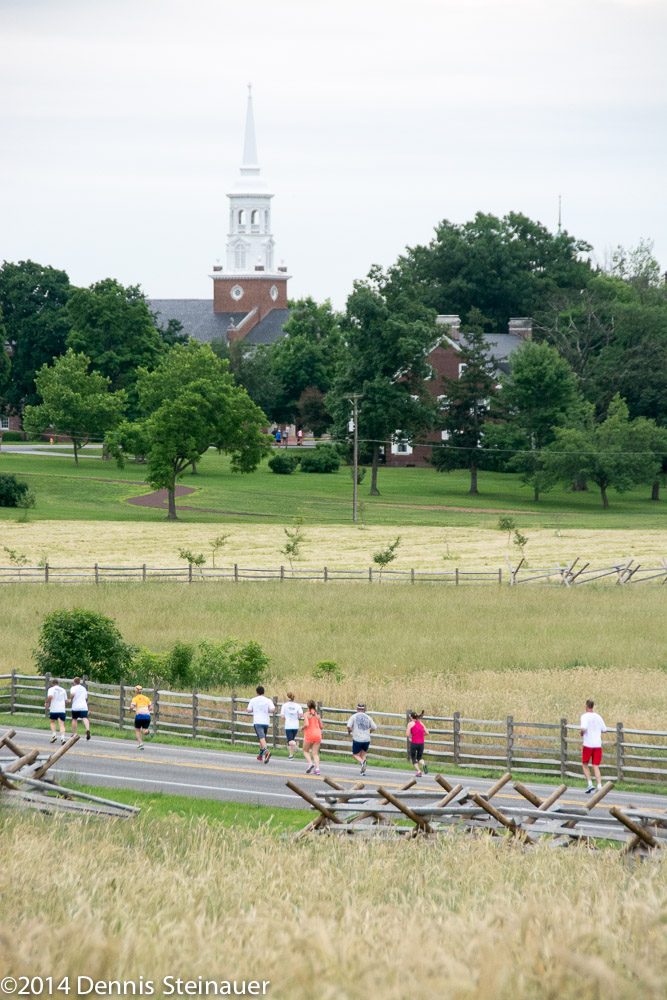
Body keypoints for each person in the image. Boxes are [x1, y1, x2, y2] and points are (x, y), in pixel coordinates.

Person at [581, 699, 607, 793]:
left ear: (586, 706)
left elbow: (584, 729)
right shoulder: (598, 717)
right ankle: (599, 785)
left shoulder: (584, 717)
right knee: (595, 765)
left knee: (585, 764)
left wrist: (581, 733)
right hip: (597, 744)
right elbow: (604, 730)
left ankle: (590, 784)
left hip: (588, 744)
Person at [246, 685, 275, 763]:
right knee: (263, 738)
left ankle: (266, 752)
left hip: (257, 721)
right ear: (263, 692)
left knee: (261, 737)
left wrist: (255, 710)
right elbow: (273, 709)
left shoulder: (253, 700)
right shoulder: (268, 700)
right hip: (265, 721)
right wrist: (267, 711)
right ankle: (260, 755)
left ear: (257, 692)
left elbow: (248, 710)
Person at [346, 703, 377, 775]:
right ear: (364, 710)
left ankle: (362, 763)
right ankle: (363, 771)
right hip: (366, 739)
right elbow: (374, 727)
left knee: (355, 755)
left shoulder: (354, 716)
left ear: (357, 709)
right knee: (363, 754)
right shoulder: (368, 717)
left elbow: (349, 726)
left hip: (357, 738)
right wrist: (369, 732)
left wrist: (349, 731)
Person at [280, 692, 304, 759]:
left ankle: (295, 744)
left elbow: (282, 716)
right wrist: (297, 717)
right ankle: (291, 755)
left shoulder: (284, 706)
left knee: (290, 741)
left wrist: (287, 717)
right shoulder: (297, 706)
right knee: (292, 739)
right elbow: (301, 715)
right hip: (295, 725)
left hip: (288, 725)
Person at [406, 710, 430, 777]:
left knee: (413, 758)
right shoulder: (421, 723)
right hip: (421, 743)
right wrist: (421, 735)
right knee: (419, 758)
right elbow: (427, 732)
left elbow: (407, 734)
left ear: (411, 717)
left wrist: (412, 734)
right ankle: (423, 764)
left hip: (414, 742)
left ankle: (419, 771)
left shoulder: (410, 724)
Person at [46, 679, 68, 744]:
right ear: (58, 683)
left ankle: (54, 735)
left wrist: (47, 702)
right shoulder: (63, 690)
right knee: (61, 724)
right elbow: (66, 700)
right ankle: (63, 737)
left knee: (52, 722)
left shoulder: (51, 689)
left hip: (54, 708)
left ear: (52, 684)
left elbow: (50, 696)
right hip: (61, 709)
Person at [303, 700, 322, 775]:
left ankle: (310, 763)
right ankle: (317, 769)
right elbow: (321, 726)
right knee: (315, 753)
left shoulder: (307, 714)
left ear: (308, 706)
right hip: (318, 734)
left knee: (305, 750)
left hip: (309, 734)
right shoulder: (317, 714)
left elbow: (307, 724)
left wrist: (302, 727)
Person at [70, 676, 91, 741]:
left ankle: (74, 733)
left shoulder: (73, 688)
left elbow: (73, 694)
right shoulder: (83, 688)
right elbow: (86, 698)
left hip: (76, 706)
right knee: (85, 718)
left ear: (74, 682)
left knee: (74, 719)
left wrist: (71, 699)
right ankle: (87, 729)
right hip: (83, 706)